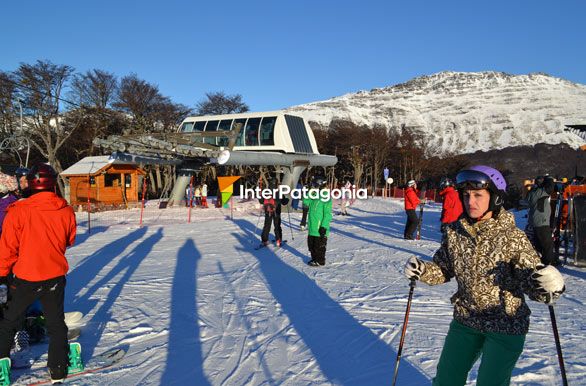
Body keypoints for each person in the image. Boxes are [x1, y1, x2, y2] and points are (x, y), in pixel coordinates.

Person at [403, 165, 565, 386]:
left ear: (495, 198)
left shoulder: (512, 237)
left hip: (506, 324)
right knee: (446, 380)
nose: (471, 201)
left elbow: (530, 278)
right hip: (467, 318)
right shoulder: (455, 233)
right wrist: (422, 270)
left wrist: (547, 285)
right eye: (467, 195)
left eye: (478, 195)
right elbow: (443, 268)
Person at [0, 163, 79, 383]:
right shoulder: (65, 209)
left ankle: (1, 365)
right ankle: (58, 369)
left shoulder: (18, 211)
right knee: (55, 323)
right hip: (54, 275)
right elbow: (69, 240)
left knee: (8, 322)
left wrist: (1, 274)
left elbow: (7, 248)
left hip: (25, 277)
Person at [526, 175, 559, 266]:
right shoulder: (540, 192)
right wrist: (550, 179)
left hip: (536, 221)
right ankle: (549, 263)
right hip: (541, 222)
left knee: (539, 243)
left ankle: (539, 261)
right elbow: (550, 187)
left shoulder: (533, 192)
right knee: (548, 244)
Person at [303, 176, 333, 266]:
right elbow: (305, 202)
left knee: (319, 246)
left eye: (315, 185)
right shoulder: (315, 195)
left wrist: (324, 226)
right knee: (311, 246)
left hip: (320, 228)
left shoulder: (326, 197)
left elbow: (328, 214)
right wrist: (308, 191)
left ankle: (320, 261)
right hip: (312, 226)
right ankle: (314, 259)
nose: (313, 186)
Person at [259, 177, 288, 247]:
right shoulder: (279, 192)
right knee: (277, 226)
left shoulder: (266, 191)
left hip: (267, 211)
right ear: (276, 184)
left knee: (266, 226)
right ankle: (278, 241)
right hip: (276, 212)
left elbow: (261, 201)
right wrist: (287, 199)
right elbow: (284, 202)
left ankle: (264, 241)